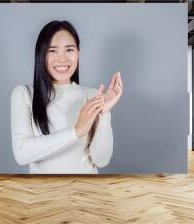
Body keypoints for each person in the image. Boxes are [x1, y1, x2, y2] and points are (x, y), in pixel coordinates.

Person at [10, 20, 123, 174]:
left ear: (78, 53)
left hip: (85, 193)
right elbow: (22, 154)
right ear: (41, 54)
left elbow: (101, 161)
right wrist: (76, 131)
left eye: (69, 50)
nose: (61, 59)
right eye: (52, 50)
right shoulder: (24, 94)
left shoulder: (92, 95)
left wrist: (104, 114)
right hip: (43, 195)